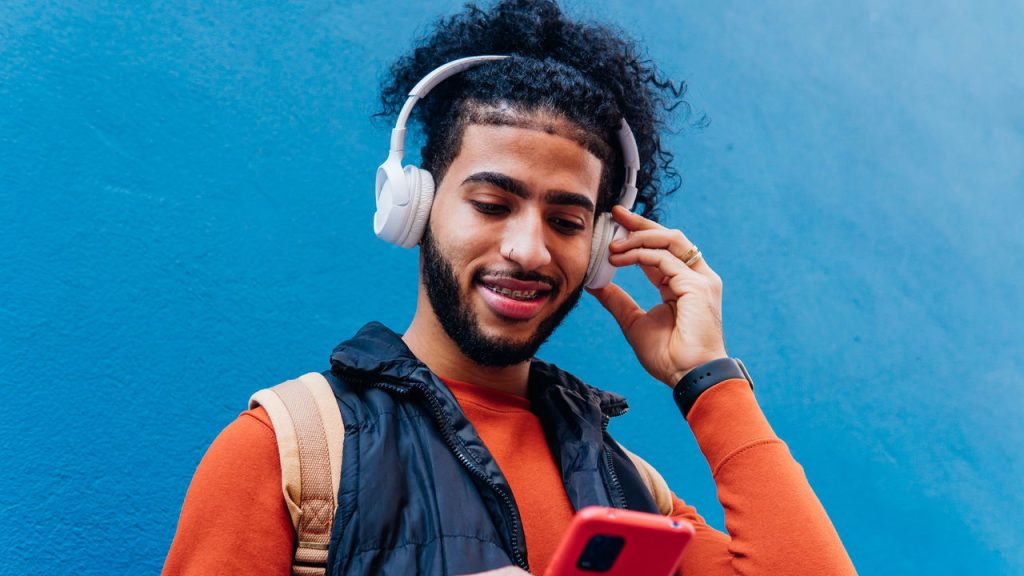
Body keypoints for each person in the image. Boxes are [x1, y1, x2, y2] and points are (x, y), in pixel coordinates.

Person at [164, 1, 856, 574]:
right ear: (416, 204)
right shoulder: (286, 450)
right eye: (492, 205)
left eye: (565, 220)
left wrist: (708, 380)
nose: (527, 249)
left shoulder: (635, 495)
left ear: (599, 251)